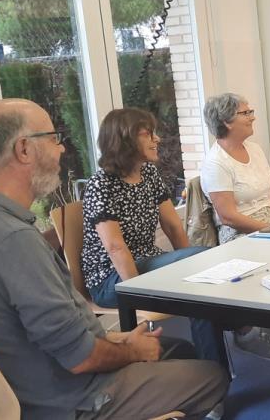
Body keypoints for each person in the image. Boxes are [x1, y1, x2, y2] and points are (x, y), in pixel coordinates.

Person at [0, 99, 228, 419]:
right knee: (213, 376)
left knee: (180, 351)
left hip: (28, 387)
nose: (61, 150)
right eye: (54, 138)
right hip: (75, 398)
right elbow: (80, 357)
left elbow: (52, 332)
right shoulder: (12, 241)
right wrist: (130, 350)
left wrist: (118, 339)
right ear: (24, 150)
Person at [80, 107, 225, 365]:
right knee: (202, 266)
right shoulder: (101, 184)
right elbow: (115, 248)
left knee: (200, 283)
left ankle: (211, 371)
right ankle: (227, 348)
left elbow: (172, 226)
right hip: (113, 278)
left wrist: (191, 265)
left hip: (146, 262)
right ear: (124, 140)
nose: (156, 139)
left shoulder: (148, 174)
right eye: (147, 134)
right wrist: (136, 293)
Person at [200, 92, 270, 360]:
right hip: (241, 234)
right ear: (227, 122)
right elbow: (228, 216)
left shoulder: (255, 149)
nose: (253, 116)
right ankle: (250, 333)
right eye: (246, 113)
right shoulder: (216, 162)